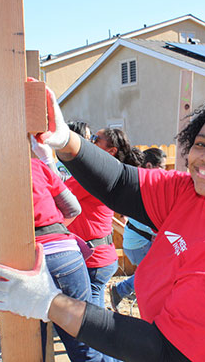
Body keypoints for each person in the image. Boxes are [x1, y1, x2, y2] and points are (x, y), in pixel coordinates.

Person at [0, 92, 205, 361]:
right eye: (200, 144)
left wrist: (50, 303)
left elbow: (164, 351)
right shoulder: (191, 194)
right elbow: (120, 184)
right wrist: (65, 140)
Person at [0, 131, 104, 362]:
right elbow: (73, 209)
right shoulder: (31, 167)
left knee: (30, 350)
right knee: (84, 342)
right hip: (64, 256)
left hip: (18, 269)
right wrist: (48, 229)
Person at [62, 127, 142, 310]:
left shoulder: (94, 175)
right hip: (99, 255)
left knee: (91, 321)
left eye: (96, 139)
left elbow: (58, 193)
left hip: (93, 258)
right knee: (91, 318)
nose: (91, 141)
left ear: (111, 150)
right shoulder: (107, 172)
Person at [109, 148, 167, 311]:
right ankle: (120, 291)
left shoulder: (141, 185)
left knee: (155, 274)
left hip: (137, 242)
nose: (165, 171)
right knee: (155, 274)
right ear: (149, 166)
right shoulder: (146, 189)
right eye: (162, 167)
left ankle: (122, 291)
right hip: (139, 245)